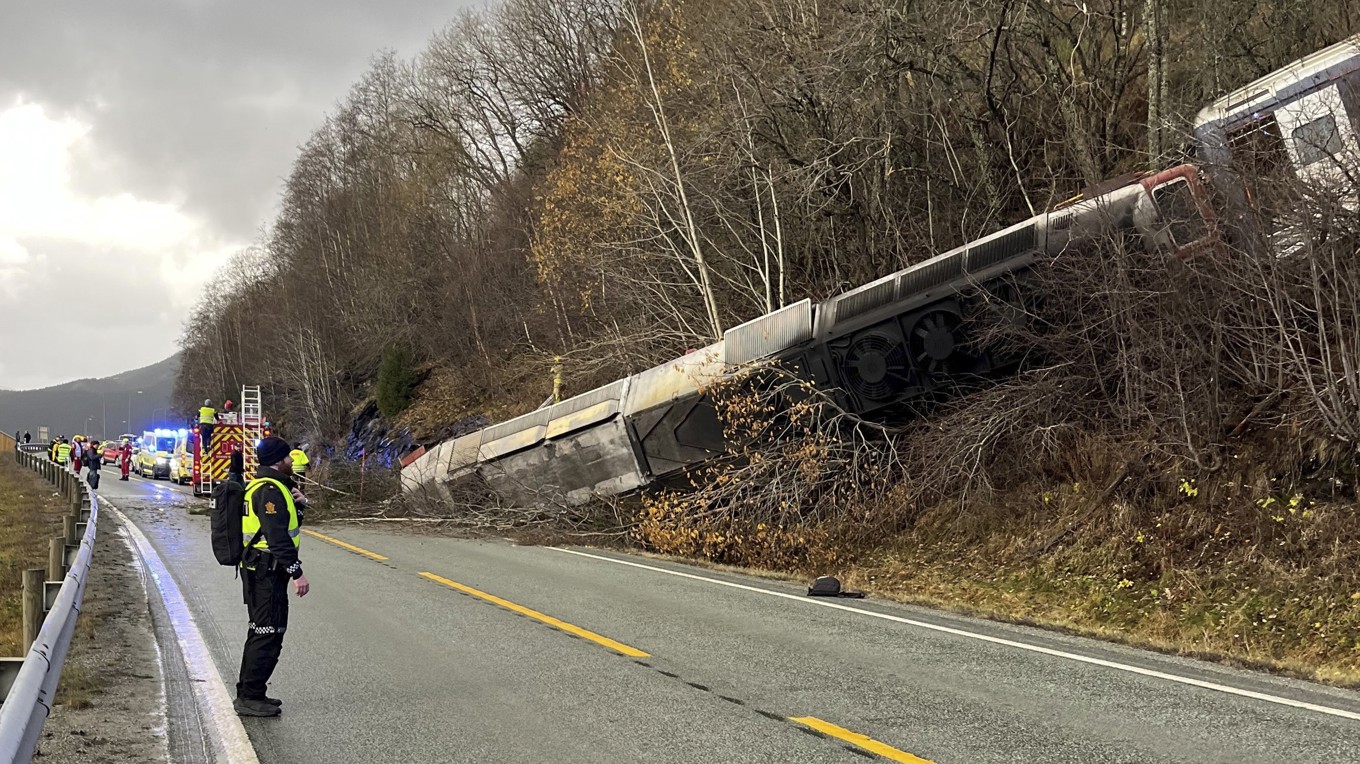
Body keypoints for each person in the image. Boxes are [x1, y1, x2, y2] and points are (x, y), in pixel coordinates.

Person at [235, 436, 310, 718]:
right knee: (266, 633)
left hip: (264, 571)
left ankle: (253, 691)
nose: (293, 462)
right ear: (279, 461)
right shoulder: (269, 491)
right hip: (265, 572)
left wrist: (301, 506)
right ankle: (249, 696)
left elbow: (285, 526)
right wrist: (297, 572)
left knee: (266, 632)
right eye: (289, 458)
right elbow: (277, 537)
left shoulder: (270, 486)